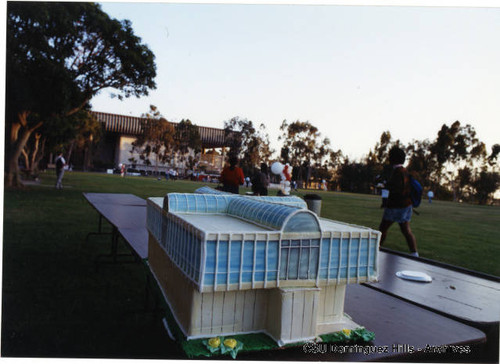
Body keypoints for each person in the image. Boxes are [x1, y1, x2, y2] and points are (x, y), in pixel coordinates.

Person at [378, 146, 418, 257]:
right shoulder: (405, 172)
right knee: (406, 230)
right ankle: (415, 253)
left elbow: (395, 189)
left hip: (395, 206)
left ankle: (376, 249)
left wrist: (386, 189)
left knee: (382, 229)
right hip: (406, 206)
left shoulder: (397, 172)